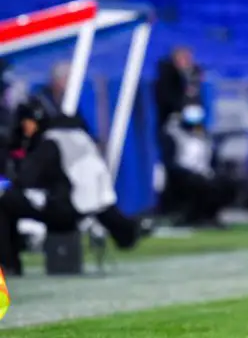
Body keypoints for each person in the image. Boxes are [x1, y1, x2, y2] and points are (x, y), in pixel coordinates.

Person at [0, 97, 145, 276]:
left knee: (4, 201)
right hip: (95, 203)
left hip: (65, 208)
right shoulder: (77, 134)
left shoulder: (49, 143)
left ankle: (9, 264)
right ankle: (127, 232)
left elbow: (25, 179)